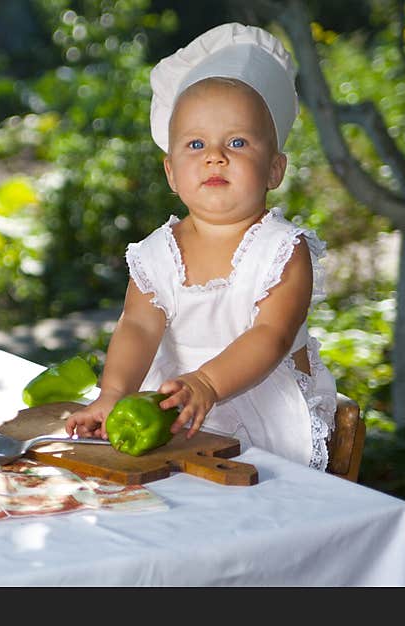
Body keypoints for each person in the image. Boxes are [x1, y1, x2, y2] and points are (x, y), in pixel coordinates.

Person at [64, 22, 337, 470]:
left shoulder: (282, 250)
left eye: (237, 142)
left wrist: (207, 383)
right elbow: (138, 327)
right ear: (171, 173)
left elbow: (271, 335)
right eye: (196, 144)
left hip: (264, 423)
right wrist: (113, 394)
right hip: (172, 417)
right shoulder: (157, 253)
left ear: (274, 169)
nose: (216, 155)